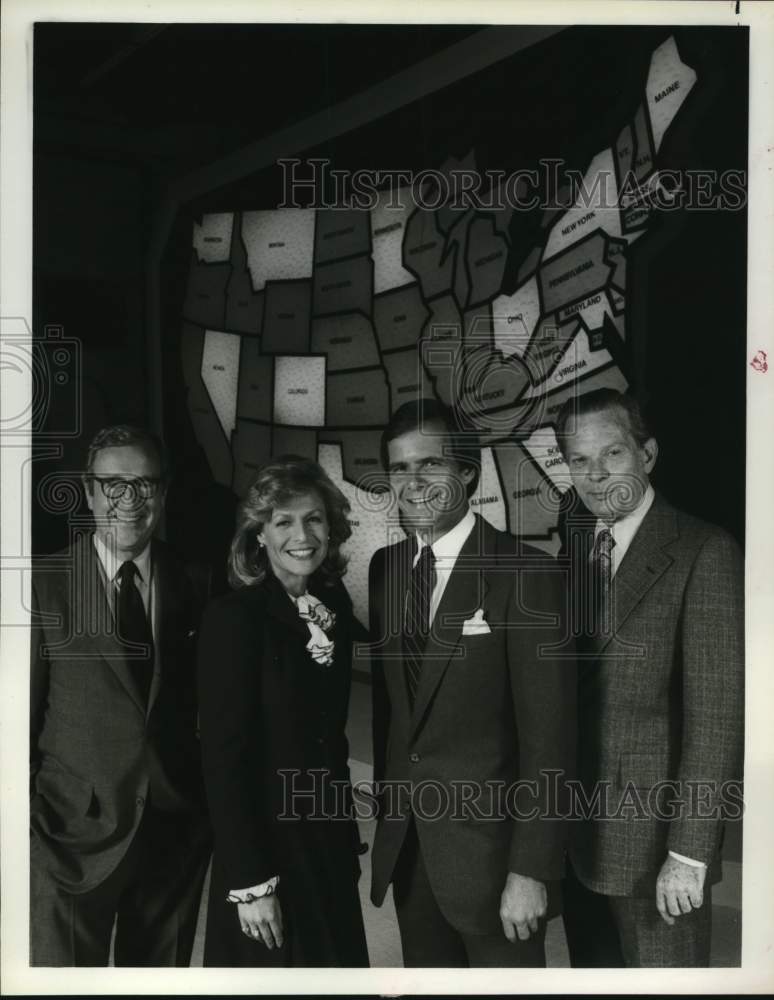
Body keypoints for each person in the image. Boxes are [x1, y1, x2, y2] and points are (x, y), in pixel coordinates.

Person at [369, 398, 575, 967]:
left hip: (495, 865)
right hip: (410, 850)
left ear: (467, 472)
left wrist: (530, 870)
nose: (413, 483)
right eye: (399, 468)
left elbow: (549, 742)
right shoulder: (385, 570)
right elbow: (398, 720)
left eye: (430, 465)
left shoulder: (527, 574)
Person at [555, 388, 744, 967]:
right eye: (578, 460)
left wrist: (688, 854)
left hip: (653, 851)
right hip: (574, 836)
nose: (593, 475)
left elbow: (716, 719)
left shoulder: (704, 551)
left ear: (649, 453)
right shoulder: (576, 545)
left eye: (611, 454)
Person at [29, 424, 211, 966]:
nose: (128, 500)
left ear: (162, 492)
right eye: (113, 485)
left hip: (172, 837)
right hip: (67, 838)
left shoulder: (195, 580)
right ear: (87, 492)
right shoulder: (44, 584)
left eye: (143, 484)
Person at [197, 455, 369, 967]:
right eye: (284, 522)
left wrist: (343, 837)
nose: (303, 535)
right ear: (260, 535)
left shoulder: (332, 608)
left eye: (314, 519)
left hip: (326, 846)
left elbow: (329, 741)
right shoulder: (233, 619)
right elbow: (223, 761)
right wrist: (250, 882)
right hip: (266, 854)